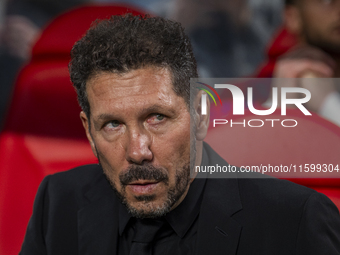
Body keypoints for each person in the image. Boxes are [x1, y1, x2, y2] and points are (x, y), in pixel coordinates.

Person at [20, 14, 340, 255]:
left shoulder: (295, 221)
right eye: (112, 125)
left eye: (157, 117)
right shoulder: (59, 200)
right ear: (88, 132)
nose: (137, 150)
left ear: (200, 114)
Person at [257, 0, 340, 125]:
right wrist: (279, 107)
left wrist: (328, 103)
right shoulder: (252, 93)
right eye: (327, 1)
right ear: (292, 17)